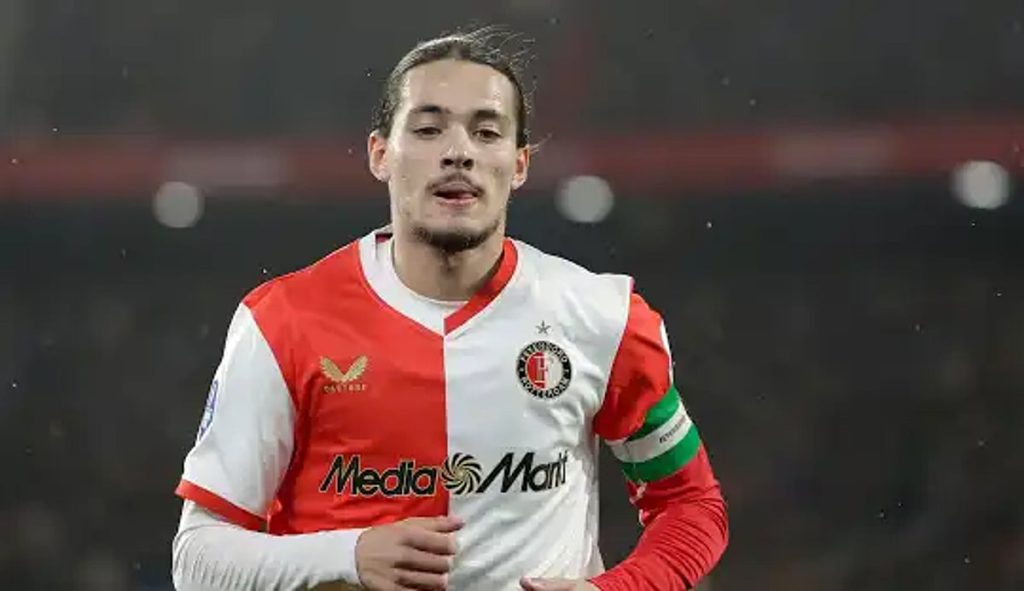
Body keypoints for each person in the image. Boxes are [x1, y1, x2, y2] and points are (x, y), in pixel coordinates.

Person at [171, 27, 728, 591]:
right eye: (428, 128)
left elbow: (691, 504)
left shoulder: (603, 318)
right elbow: (196, 560)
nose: (458, 151)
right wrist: (347, 556)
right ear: (380, 155)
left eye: (486, 132)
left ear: (519, 164)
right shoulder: (282, 322)